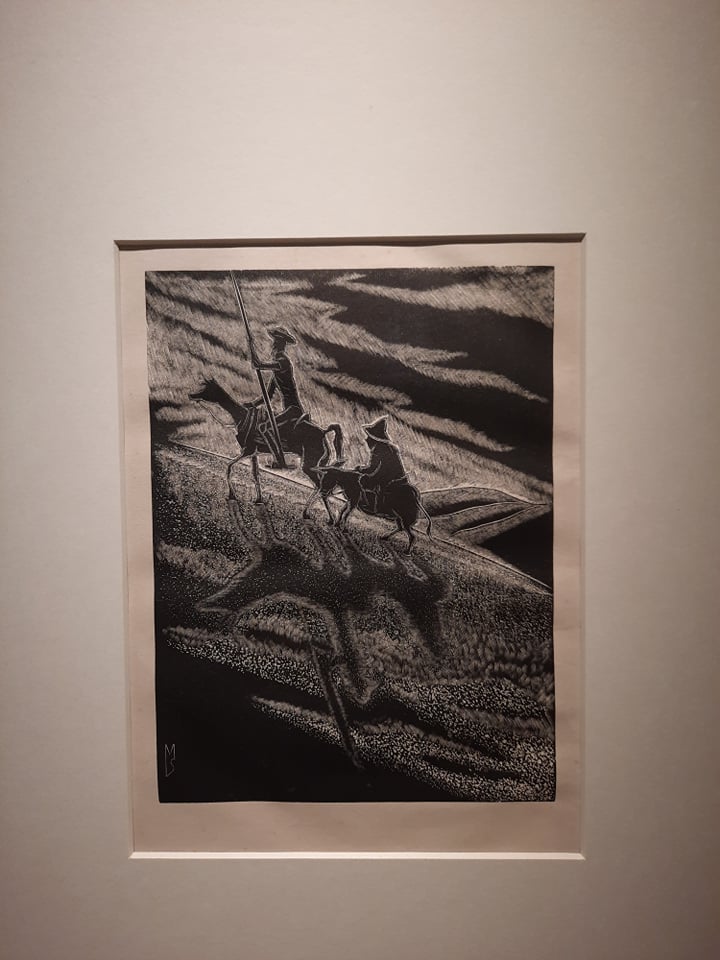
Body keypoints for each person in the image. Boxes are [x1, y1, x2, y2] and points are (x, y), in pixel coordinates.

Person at [250, 326, 305, 467]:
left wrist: (251, 346)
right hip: (288, 410)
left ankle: (279, 461)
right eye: (274, 342)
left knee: (264, 427)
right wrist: (252, 405)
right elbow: (267, 396)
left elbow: (258, 365)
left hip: (294, 410)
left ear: (280, 345)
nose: (272, 346)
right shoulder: (276, 373)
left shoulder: (283, 361)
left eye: (275, 343)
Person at [354, 416, 409, 513]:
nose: (366, 439)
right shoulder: (390, 447)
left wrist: (360, 470)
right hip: (399, 477)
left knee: (364, 481)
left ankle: (374, 507)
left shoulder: (379, 449)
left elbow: (373, 469)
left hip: (390, 480)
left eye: (369, 437)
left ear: (374, 439)